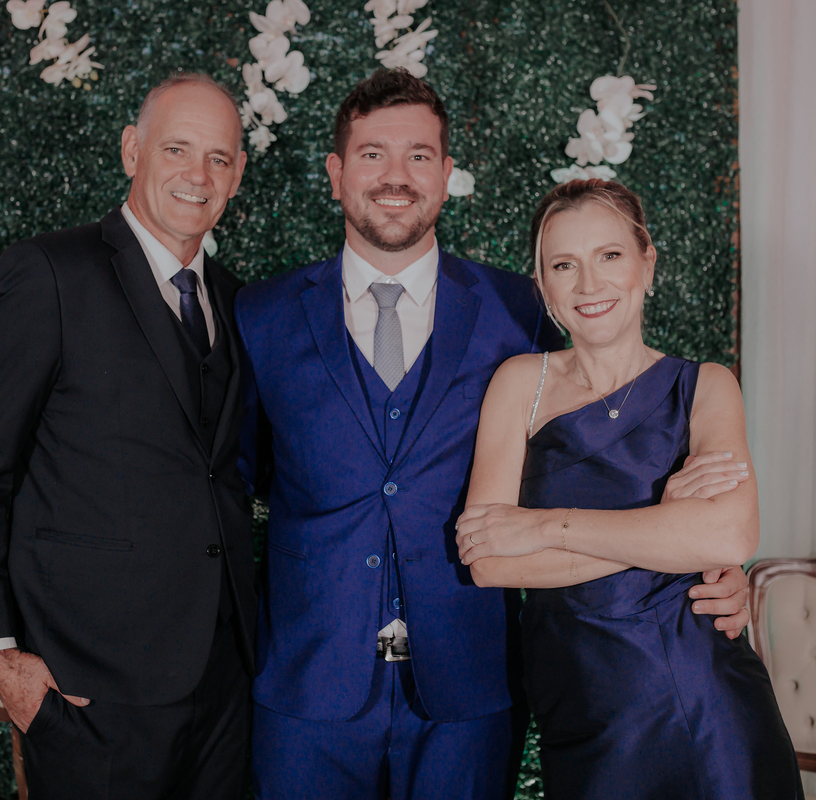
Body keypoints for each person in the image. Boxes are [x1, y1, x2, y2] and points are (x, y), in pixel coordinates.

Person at [235, 69, 752, 800]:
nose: (395, 175)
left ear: (446, 176)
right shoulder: (260, 315)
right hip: (304, 686)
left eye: (418, 155)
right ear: (336, 172)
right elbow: (233, 483)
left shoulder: (521, 309)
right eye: (373, 154)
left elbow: (588, 451)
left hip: (470, 685)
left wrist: (709, 567)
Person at [0, 74, 255, 800]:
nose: (198, 174)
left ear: (237, 175)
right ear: (131, 150)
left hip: (224, 682)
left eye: (218, 158)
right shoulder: (48, 273)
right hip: (90, 688)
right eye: (176, 149)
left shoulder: (236, 298)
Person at [455, 179, 803, 798]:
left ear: (647, 263)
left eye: (610, 255)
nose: (589, 284)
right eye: (564, 265)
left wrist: (542, 526)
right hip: (578, 706)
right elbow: (487, 560)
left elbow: (728, 535)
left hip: (707, 704)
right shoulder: (519, 383)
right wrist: (663, 525)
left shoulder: (706, 386)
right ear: (543, 286)